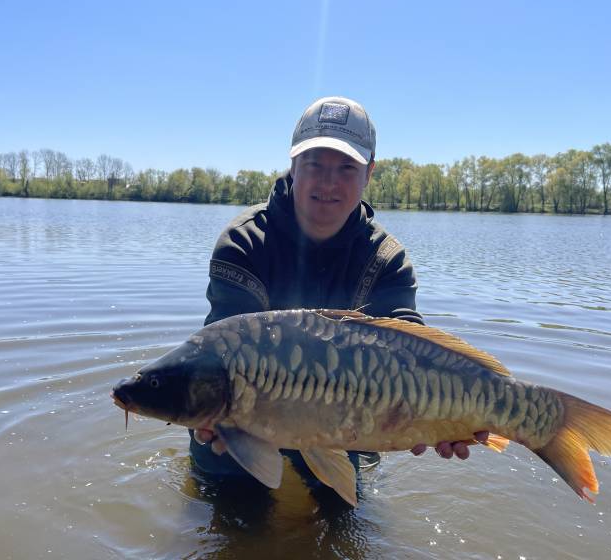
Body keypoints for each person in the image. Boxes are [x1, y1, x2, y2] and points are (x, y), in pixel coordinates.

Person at [190, 96, 488, 482]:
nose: (328, 183)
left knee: (341, 524)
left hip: (348, 425)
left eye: (347, 167)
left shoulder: (387, 259)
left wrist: (436, 413)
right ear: (293, 166)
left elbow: (410, 348)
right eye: (314, 164)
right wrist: (215, 414)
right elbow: (223, 355)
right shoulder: (243, 242)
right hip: (241, 428)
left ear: (369, 173)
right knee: (232, 521)